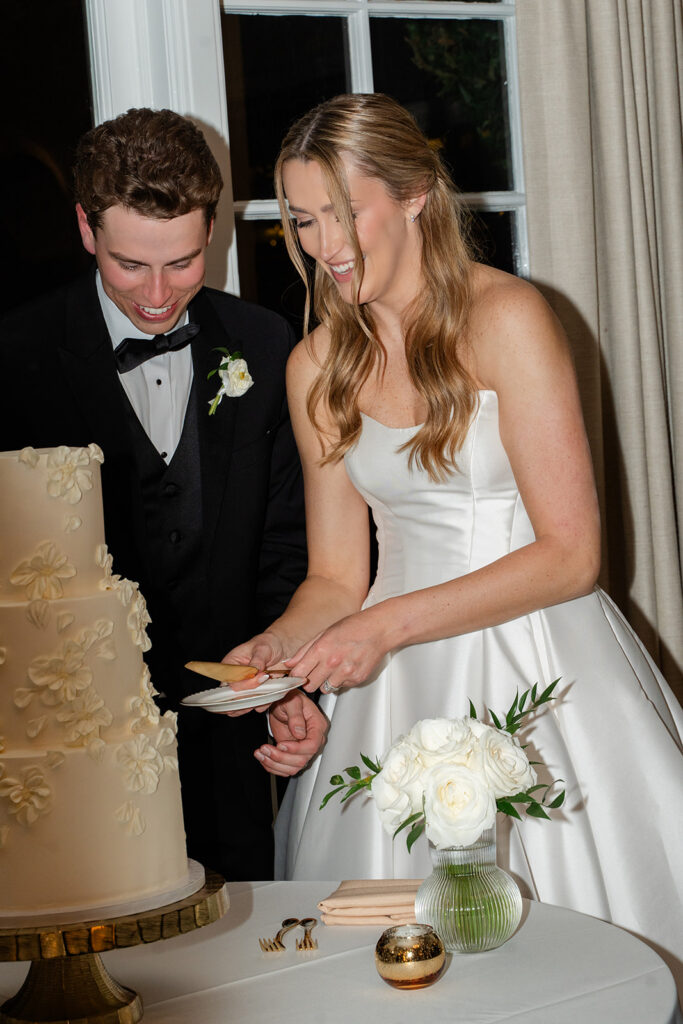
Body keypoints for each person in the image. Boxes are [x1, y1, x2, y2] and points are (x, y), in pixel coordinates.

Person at [227, 93, 683, 967]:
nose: (323, 245)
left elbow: (571, 554)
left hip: (539, 656)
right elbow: (332, 577)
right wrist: (278, 656)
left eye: (342, 211)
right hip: (387, 689)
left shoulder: (510, 317)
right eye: (300, 218)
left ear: (414, 196)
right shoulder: (316, 362)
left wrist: (379, 629)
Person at [0, 107, 326, 881]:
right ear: (86, 228)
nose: (156, 295)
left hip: (231, 741)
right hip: (69, 752)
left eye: (182, 263)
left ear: (211, 228)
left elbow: (288, 543)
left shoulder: (267, 343)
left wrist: (286, 682)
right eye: (129, 264)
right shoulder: (14, 357)